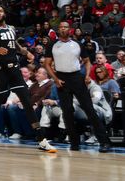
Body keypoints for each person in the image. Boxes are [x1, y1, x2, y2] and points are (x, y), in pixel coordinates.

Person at [0, 4, 56, 152]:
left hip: (14, 70)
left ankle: (41, 139)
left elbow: (15, 45)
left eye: (1, 10)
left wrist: (26, 52)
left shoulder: (11, 28)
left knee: (26, 101)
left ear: (4, 13)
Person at [42, 21, 112, 152]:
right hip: (61, 78)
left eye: (65, 27)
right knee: (67, 112)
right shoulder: (52, 45)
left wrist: (86, 75)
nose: (63, 29)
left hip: (76, 77)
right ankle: (74, 143)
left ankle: (104, 141)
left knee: (89, 109)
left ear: (70, 30)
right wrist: (55, 79)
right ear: (58, 30)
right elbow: (46, 64)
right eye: (61, 27)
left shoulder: (77, 44)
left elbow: (87, 61)